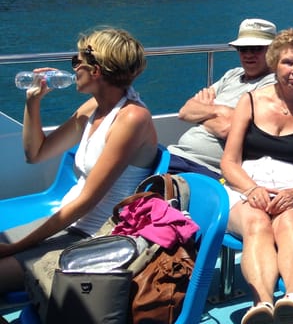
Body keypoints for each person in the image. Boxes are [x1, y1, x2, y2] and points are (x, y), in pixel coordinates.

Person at [0, 28, 158, 293]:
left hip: (92, 237)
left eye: (76, 61)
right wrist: (32, 102)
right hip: (66, 223)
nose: (73, 69)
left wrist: (16, 247)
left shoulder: (132, 119)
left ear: (95, 70)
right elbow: (36, 154)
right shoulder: (92, 109)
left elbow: (87, 202)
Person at [221, 28, 293, 324]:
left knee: (289, 222)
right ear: (274, 64)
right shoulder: (250, 101)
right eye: (287, 63)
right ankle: (262, 305)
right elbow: (229, 162)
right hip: (246, 187)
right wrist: (251, 189)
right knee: (256, 223)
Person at [167, 18, 277, 178]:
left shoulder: (273, 84)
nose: (248, 54)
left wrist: (204, 112)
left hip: (206, 168)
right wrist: (220, 112)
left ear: (273, 50)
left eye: (256, 48)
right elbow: (185, 111)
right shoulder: (232, 75)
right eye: (243, 49)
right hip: (176, 154)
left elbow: (228, 128)